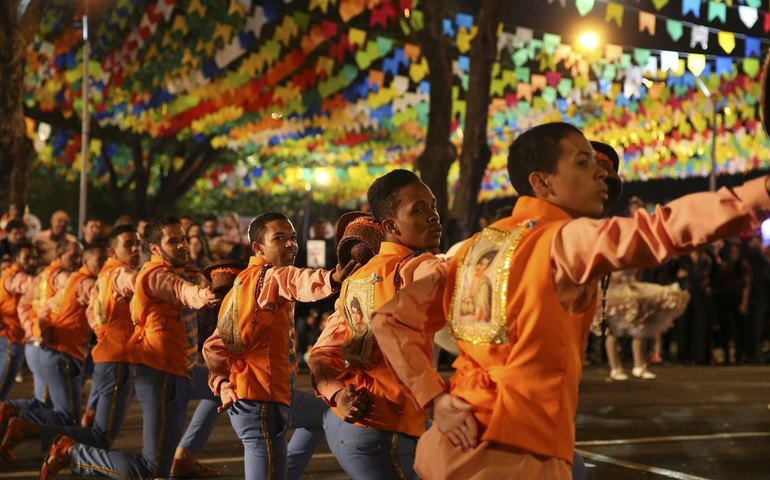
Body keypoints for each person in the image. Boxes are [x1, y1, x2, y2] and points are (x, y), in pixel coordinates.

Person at [370, 122, 770, 479]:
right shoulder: (562, 240)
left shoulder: (472, 248)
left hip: (453, 445)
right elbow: (661, 230)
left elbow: (389, 319)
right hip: (520, 454)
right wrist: (761, 193)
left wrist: (435, 398)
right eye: (583, 162)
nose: (601, 172)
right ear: (543, 183)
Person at [40, 215, 221, 479]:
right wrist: (203, 295)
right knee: (145, 466)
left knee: (225, 386)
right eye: (174, 241)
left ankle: (185, 456)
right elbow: (180, 290)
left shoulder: (111, 275)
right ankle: (71, 452)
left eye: (183, 238)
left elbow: (93, 313)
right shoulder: (144, 275)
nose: (183, 245)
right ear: (156, 249)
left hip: (172, 368)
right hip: (157, 372)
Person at [309, 170, 445, 480]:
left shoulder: (354, 280)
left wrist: (338, 395)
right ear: (391, 226)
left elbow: (320, 355)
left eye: (433, 205)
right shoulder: (418, 266)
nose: (434, 216)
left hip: (345, 424)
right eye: (420, 209)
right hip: (388, 429)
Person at [202, 212, 357, 480]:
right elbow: (295, 280)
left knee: (324, 414)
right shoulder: (269, 277)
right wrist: (332, 279)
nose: (290, 244)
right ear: (258, 248)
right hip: (260, 403)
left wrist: (223, 384)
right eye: (280, 238)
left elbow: (213, 345)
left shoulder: (241, 284)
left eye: (293, 238)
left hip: (265, 395)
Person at [0, 244, 105, 459]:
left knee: (43, 405)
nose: (77, 260)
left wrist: (35, 330)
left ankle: (13, 417)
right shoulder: (66, 279)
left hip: (37, 348)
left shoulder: (42, 276)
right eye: (73, 255)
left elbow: (25, 306)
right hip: (54, 351)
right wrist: (41, 330)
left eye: (79, 256)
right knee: (68, 418)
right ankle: (15, 418)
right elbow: (97, 307)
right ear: (59, 255)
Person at [0, 242, 38, 400]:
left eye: (33, 258)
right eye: (27, 258)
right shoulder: (15, 276)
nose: (31, 261)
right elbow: (32, 286)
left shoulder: (9, 273)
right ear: (16, 259)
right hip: (9, 338)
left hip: (13, 338)